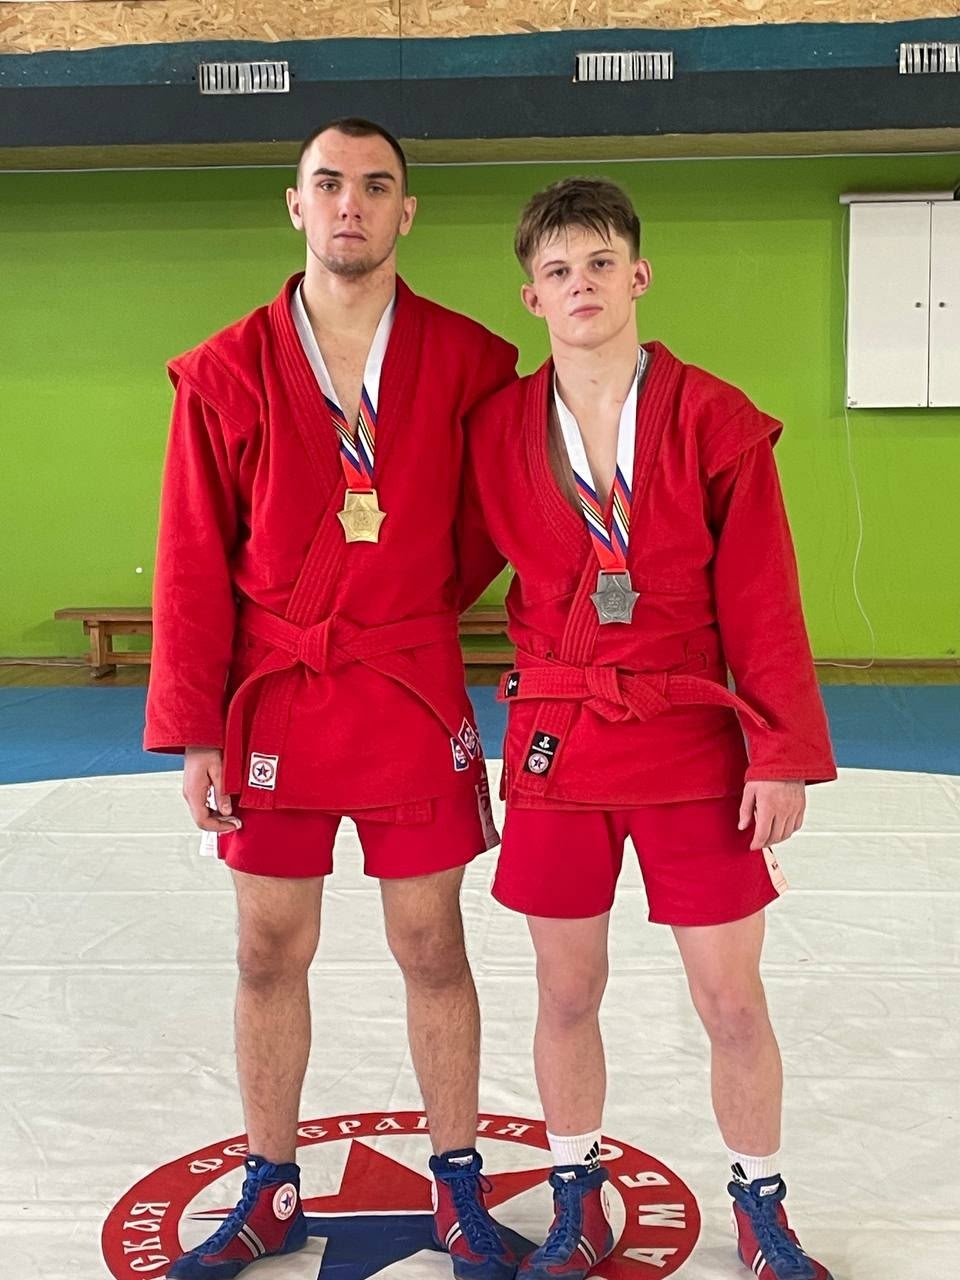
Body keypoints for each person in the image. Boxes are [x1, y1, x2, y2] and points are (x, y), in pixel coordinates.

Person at [144, 117, 518, 1280]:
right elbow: (191, 557)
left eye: (376, 184)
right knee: (268, 946)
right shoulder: (223, 370)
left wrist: (402, 606)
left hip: (405, 682)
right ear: (295, 205)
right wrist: (194, 729)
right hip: (278, 697)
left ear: (408, 210)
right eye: (329, 183)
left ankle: (458, 1184)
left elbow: (489, 525)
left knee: (432, 938)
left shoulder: (471, 362)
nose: (351, 202)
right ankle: (269, 1185)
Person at [463, 177, 837, 1280]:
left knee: (731, 998)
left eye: (599, 264)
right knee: (566, 988)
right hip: (560, 734)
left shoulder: (715, 417)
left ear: (639, 276)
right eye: (558, 270)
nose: (580, 284)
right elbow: (433, 571)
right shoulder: (495, 429)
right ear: (532, 296)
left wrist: (779, 751)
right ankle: (574, 1194)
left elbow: (764, 597)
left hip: (689, 739)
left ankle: (761, 1205)